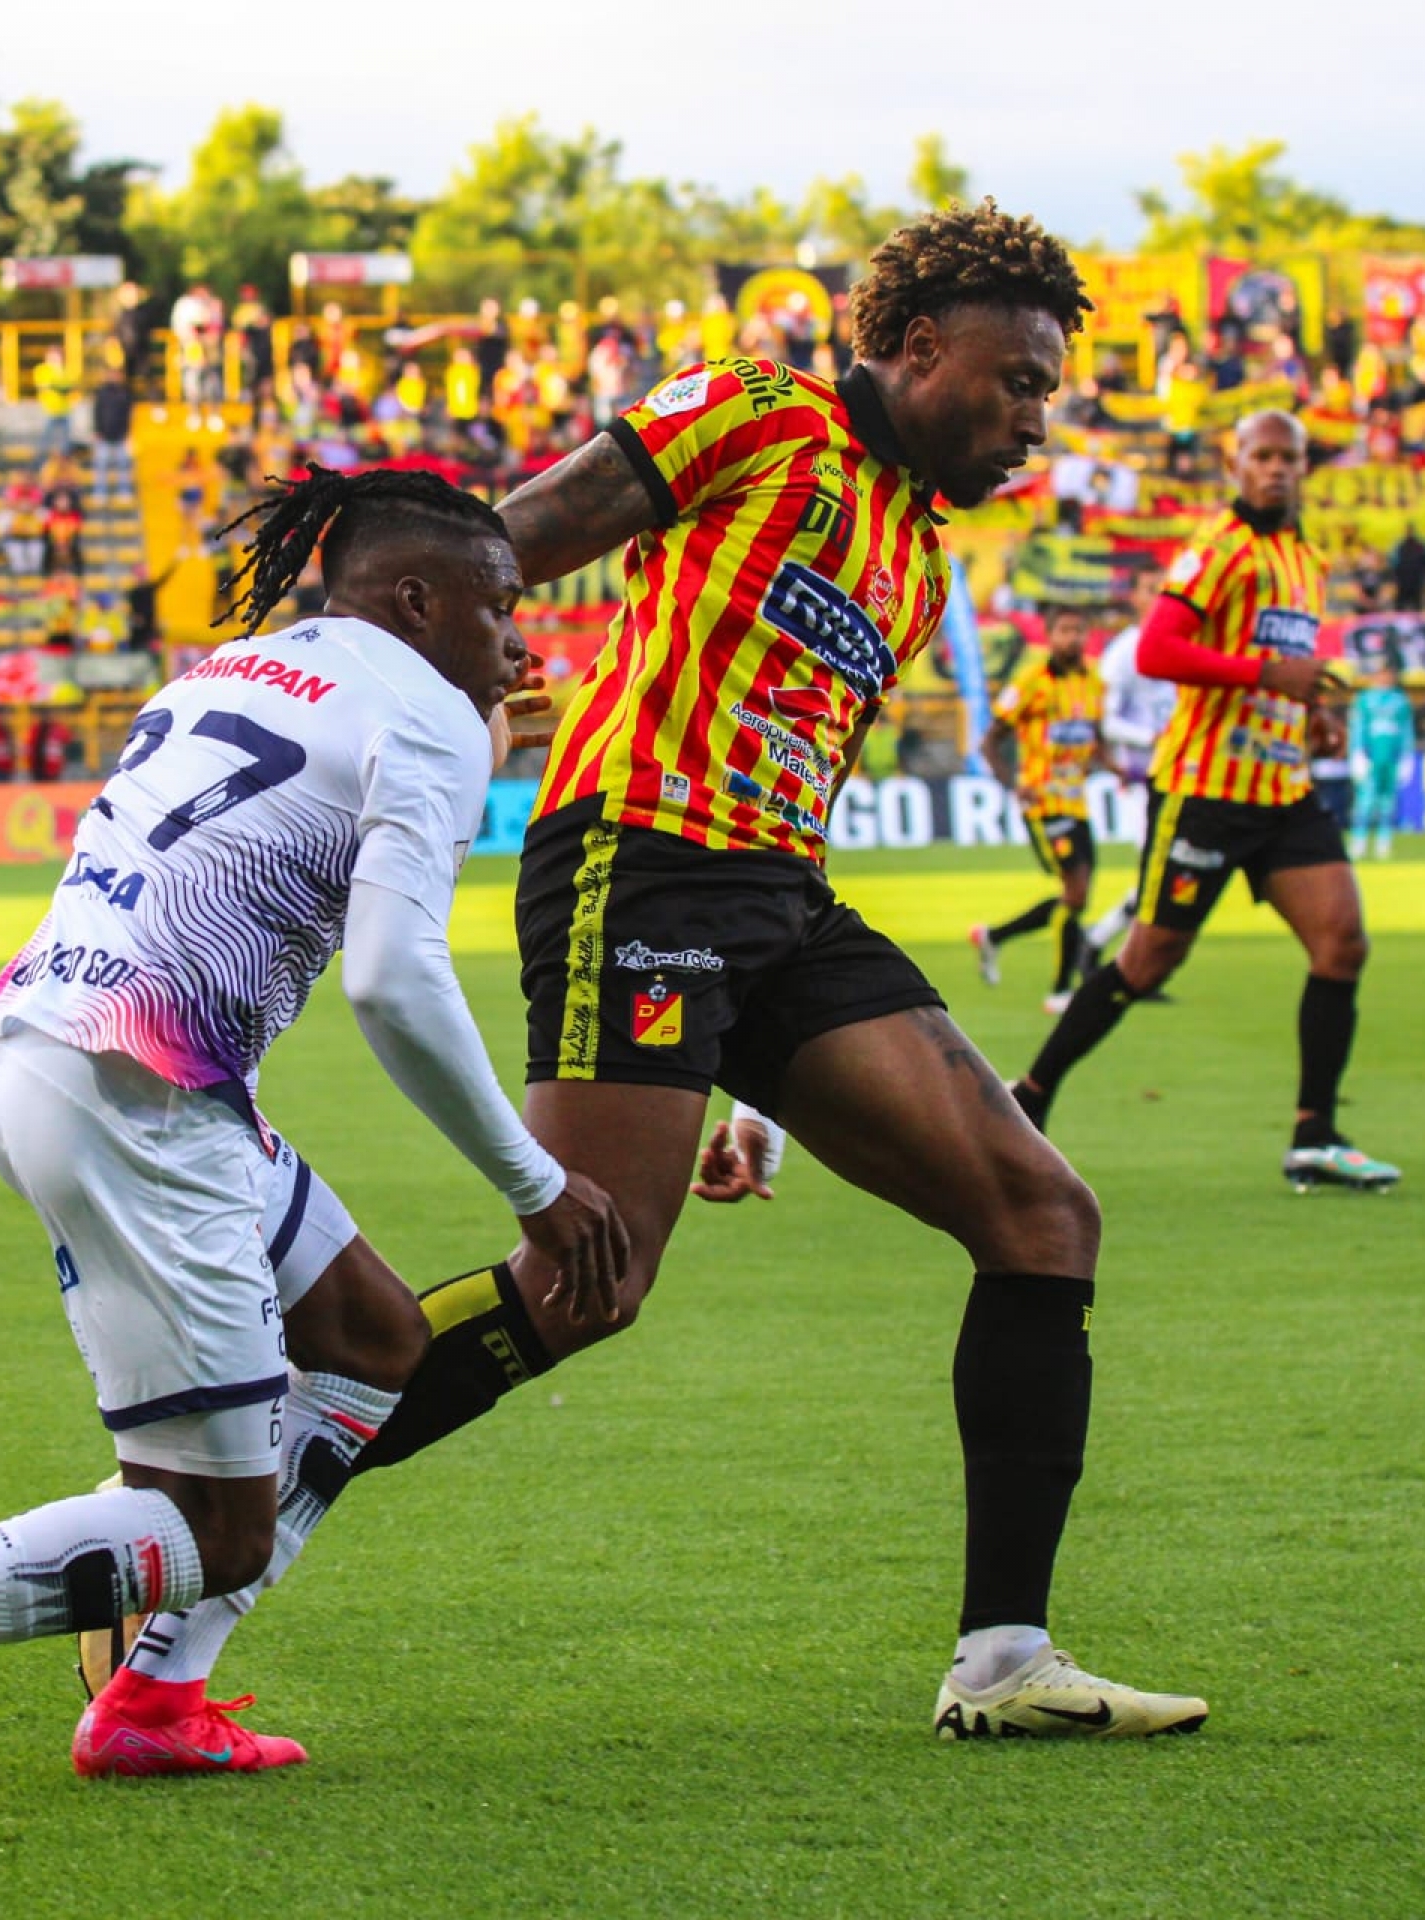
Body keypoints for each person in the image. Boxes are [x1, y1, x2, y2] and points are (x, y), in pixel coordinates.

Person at [335, 201, 1209, 1741]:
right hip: (638, 855)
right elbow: (503, 547)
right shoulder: (759, 411)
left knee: (1043, 1214)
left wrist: (767, 1089)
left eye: (1050, 394)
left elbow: (810, 775)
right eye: (1019, 381)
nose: (1036, 421)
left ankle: (1005, 1662)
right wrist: (398, 695)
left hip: (779, 900)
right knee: (586, 1285)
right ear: (921, 347)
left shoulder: (915, 561)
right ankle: (201, 1508)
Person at [0, 467, 624, 1778]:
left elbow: (324, 796)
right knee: (216, 1534)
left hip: (56, 1050)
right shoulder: (424, 716)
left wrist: (474, 736)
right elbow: (394, 980)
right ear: (418, 599)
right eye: (502, 605)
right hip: (138, 1102)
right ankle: (119, 1679)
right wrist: (536, 1185)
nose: (519, 640)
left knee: (373, 1336)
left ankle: (155, 1705)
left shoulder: (233, 668)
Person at [1008, 410, 1401, 1195]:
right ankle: (1027, 1099)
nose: (1276, 468)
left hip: (1283, 788)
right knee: (1148, 960)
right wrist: (1267, 676)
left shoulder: (1306, 560)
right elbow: (1158, 649)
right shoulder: (1218, 548)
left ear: (1304, 467)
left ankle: (1314, 1137)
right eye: (1262, 455)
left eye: (1288, 457)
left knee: (1342, 943)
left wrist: (1313, 714)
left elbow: (1286, 663)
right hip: (1205, 790)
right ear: (1235, 463)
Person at [969, 603, 1110, 1012]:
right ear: (1050, 635)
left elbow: (1094, 735)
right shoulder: (1030, 682)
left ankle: (994, 937)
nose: (1073, 638)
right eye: (1065, 630)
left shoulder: (1093, 680)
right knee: (1076, 894)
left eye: (1079, 630)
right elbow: (990, 741)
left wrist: (1112, 765)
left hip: (1077, 802)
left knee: (1077, 896)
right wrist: (1013, 784)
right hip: (1043, 803)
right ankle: (1061, 991)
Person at [1083, 567, 1177, 956]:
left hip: (1180, 778)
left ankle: (1103, 945)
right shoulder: (1123, 653)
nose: (1159, 597)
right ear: (1135, 597)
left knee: (1168, 880)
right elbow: (1105, 722)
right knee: (1158, 878)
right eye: (1151, 589)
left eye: (1165, 589)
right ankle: (1106, 948)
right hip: (1141, 780)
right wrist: (1151, 737)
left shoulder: (1179, 644)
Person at [1347, 663, 1415, 860]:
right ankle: (1358, 841)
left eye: (1388, 673)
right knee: (1365, 802)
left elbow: (1406, 730)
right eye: (1381, 673)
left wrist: (1407, 755)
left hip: (1392, 759)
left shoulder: (1400, 700)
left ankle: (1383, 843)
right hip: (1370, 758)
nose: (1385, 677)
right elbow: (1357, 727)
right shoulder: (1364, 699)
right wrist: (1357, 752)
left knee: (1388, 802)